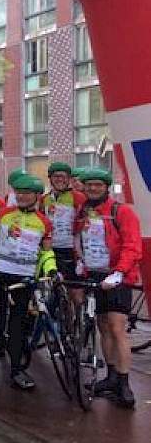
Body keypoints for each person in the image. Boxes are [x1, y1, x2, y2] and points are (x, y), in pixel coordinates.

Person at [75, 167, 142, 408]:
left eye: (98, 185)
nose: (93, 189)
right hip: (95, 274)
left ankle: (124, 383)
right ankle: (111, 376)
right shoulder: (84, 212)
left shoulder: (121, 211)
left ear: (106, 187)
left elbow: (132, 246)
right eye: (89, 185)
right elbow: (80, 240)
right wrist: (80, 263)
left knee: (116, 327)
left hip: (117, 277)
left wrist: (119, 273)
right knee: (103, 325)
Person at [0, 175, 55, 390]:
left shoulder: (44, 221)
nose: (21, 196)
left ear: (36, 196)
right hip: (0, 276)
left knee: (18, 326)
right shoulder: (4, 214)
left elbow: (47, 251)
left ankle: (16, 370)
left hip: (24, 279)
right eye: (18, 192)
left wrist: (51, 269)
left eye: (27, 193)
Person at [41, 162, 86, 284]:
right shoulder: (43, 199)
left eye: (63, 176)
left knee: (76, 291)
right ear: (50, 178)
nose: (60, 179)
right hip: (51, 249)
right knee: (52, 289)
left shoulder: (79, 197)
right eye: (56, 176)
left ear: (69, 179)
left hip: (71, 250)